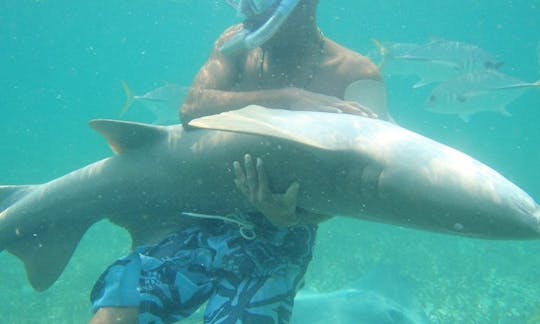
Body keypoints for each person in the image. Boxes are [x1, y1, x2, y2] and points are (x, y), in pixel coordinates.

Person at [89, 0, 383, 323]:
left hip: (279, 237)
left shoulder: (356, 74)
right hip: (203, 213)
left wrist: (298, 216)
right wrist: (287, 98)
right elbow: (192, 107)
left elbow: (364, 182)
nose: (246, 10)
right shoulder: (235, 44)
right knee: (118, 310)